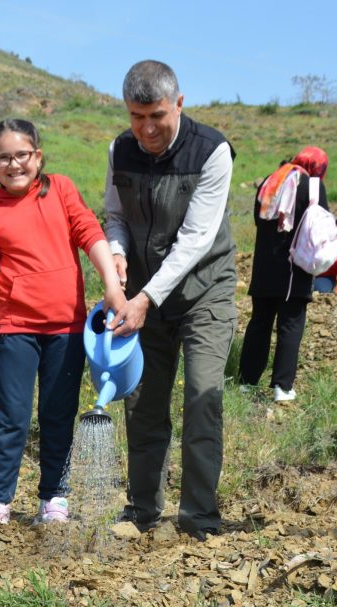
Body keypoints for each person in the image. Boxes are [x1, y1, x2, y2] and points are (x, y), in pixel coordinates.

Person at [0, 119, 125, 531]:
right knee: (10, 416)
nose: (14, 164)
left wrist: (112, 286)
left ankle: (53, 497)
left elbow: (90, 234)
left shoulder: (60, 189)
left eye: (21, 155)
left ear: (37, 156)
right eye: (4, 158)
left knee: (58, 414)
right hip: (15, 329)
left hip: (65, 327)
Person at [102, 60, 237, 541]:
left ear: (179, 104)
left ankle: (199, 517)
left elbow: (197, 238)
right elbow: (113, 215)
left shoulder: (212, 151)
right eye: (137, 116)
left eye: (157, 115)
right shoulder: (121, 149)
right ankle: (142, 511)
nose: (146, 128)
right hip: (142, 294)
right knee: (141, 401)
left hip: (204, 291)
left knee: (202, 399)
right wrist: (117, 254)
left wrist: (145, 296)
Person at [238, 146, 331, 404]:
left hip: (264, 266)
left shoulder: (270, 181)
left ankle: (246, 381)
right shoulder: (312, 186)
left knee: (259, 323)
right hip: (294, 268)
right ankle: (282, 386)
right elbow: (321, 224)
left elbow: (259, 222)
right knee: (290, 325)